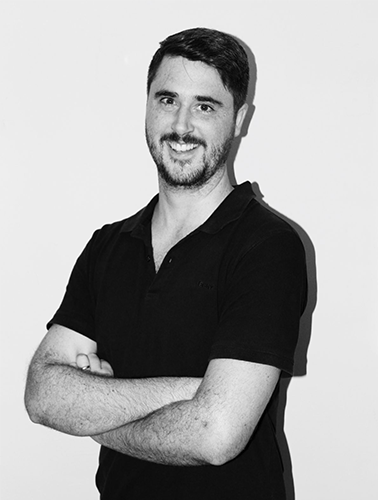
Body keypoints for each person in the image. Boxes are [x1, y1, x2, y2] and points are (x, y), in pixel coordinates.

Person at [25, 27, 307, 499]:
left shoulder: (268, 246)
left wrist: (98, 423)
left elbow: (216, 435)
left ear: (239, 120)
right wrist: (192, 391)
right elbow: (41, 395)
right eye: (167, 99)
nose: (181, 125)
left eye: (205, 105)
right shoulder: (109, 246)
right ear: (148, 106)